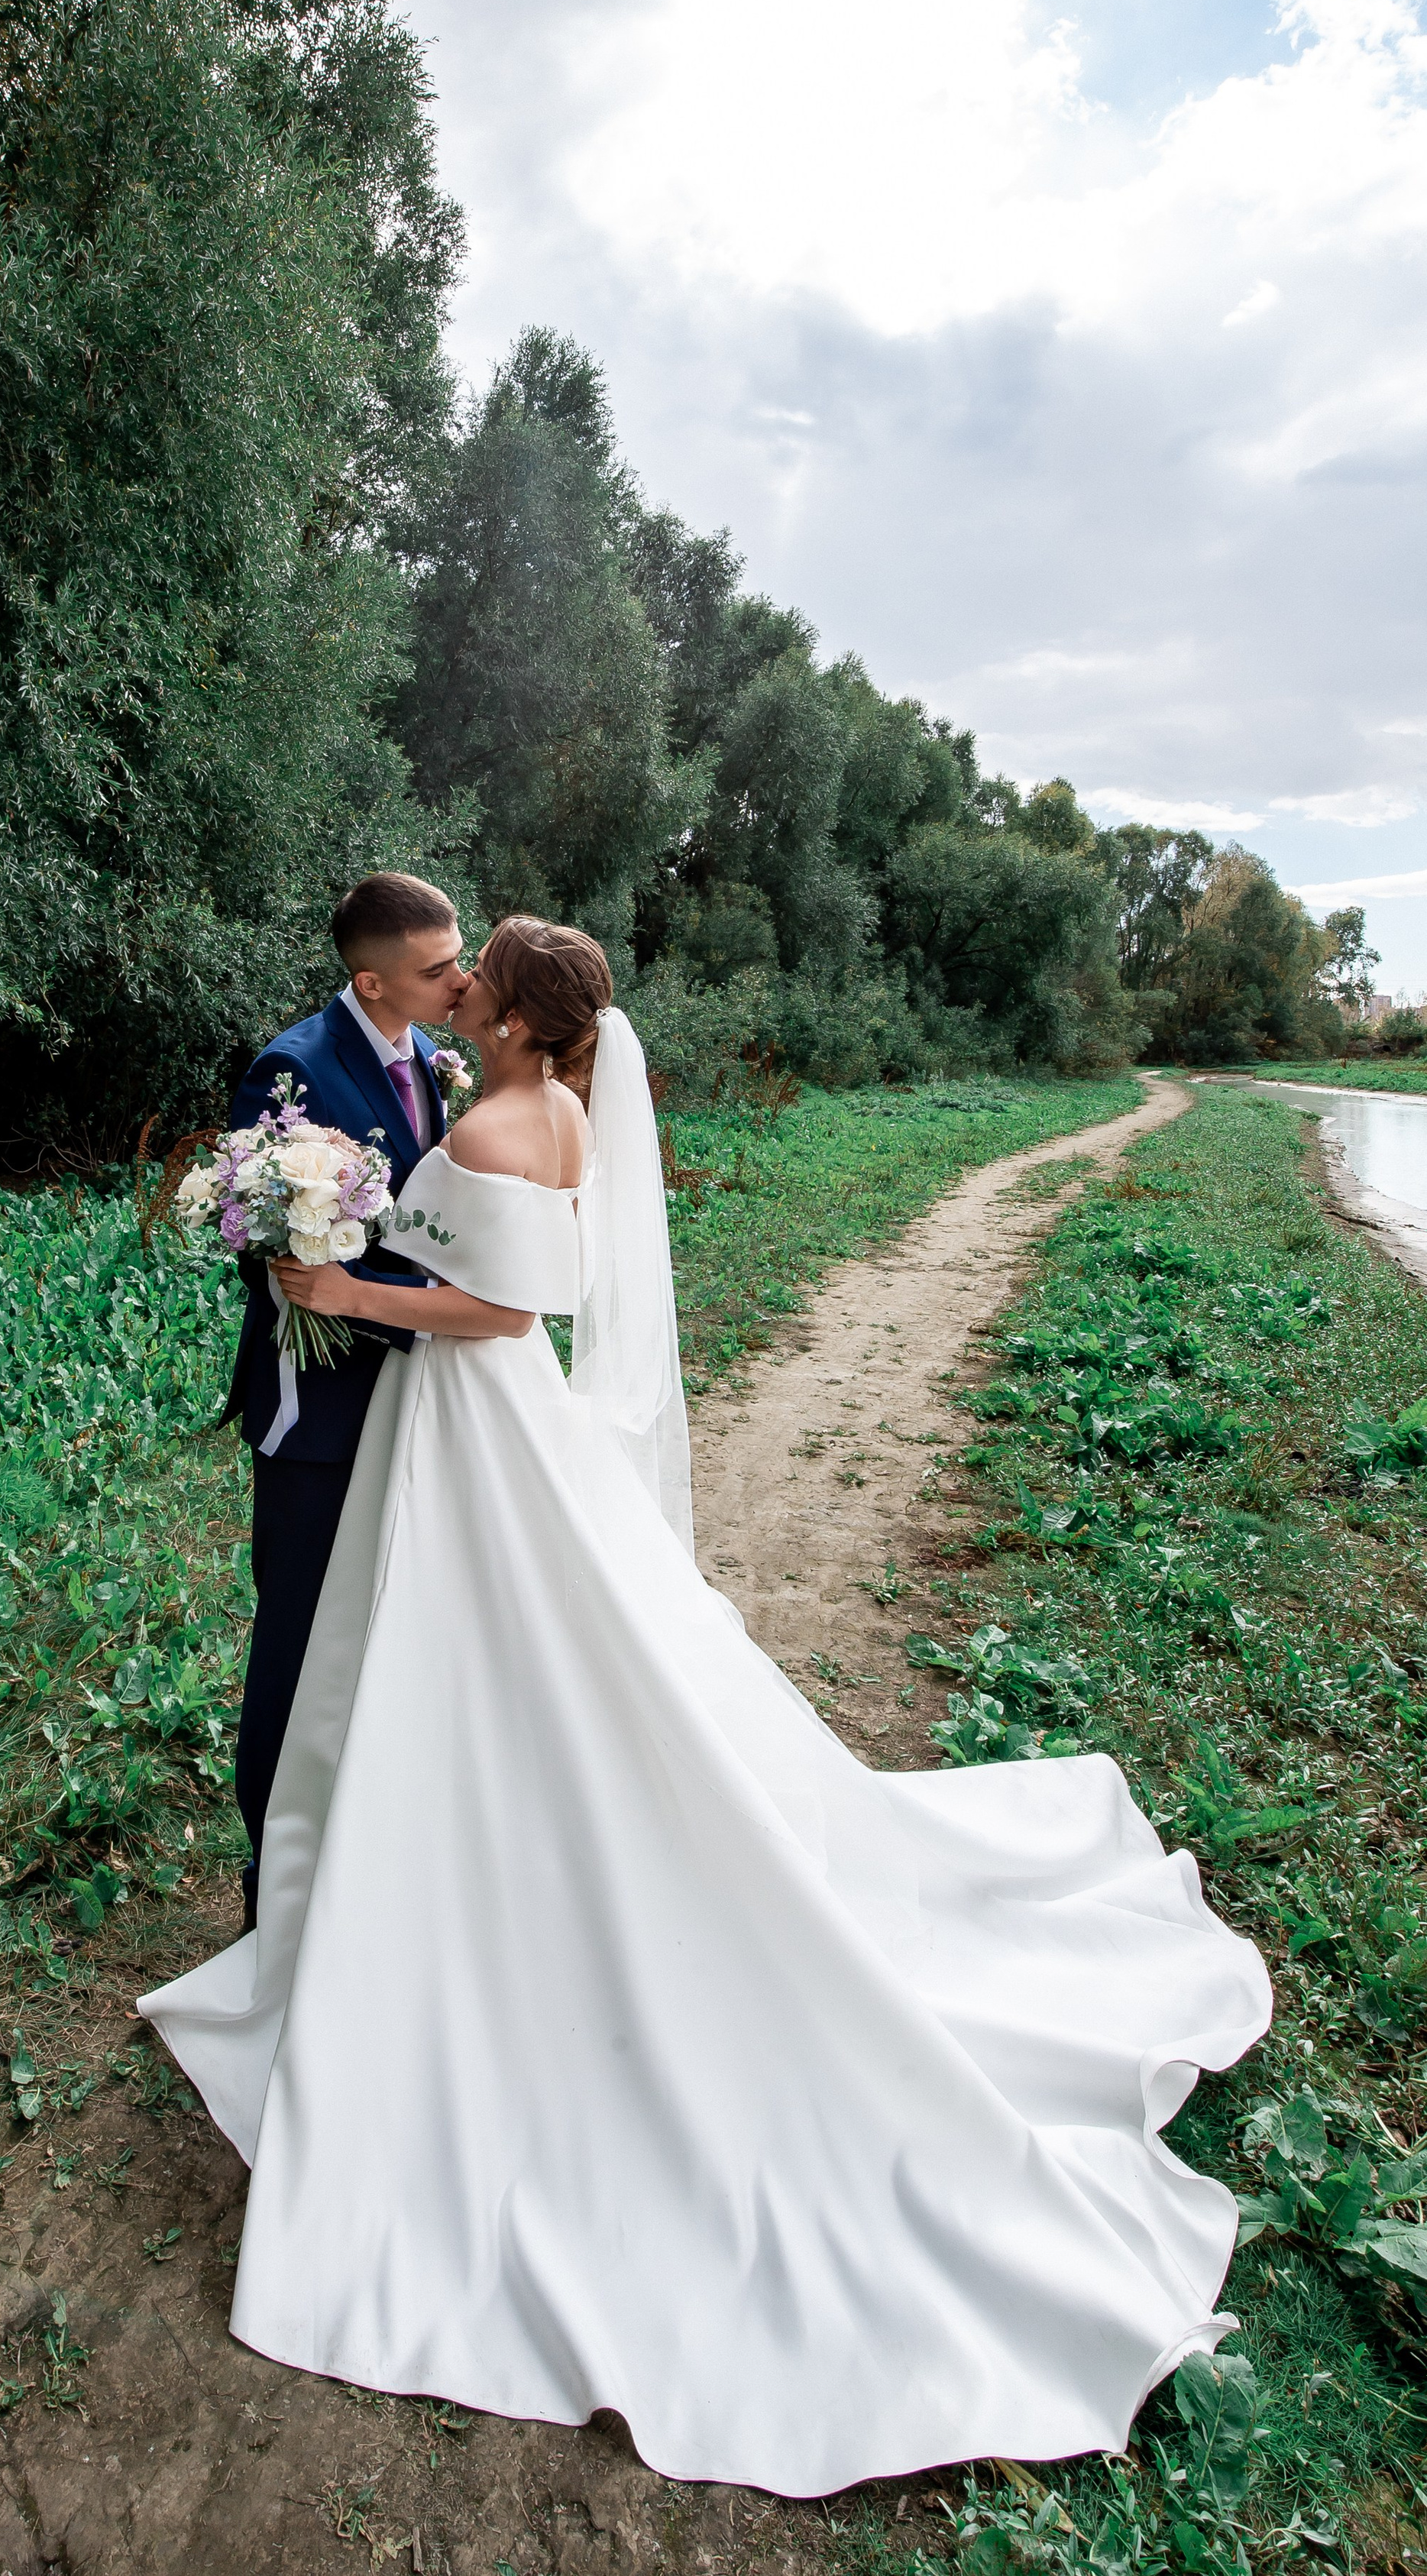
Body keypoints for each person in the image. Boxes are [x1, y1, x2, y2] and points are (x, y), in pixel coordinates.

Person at [144, 917, 1272, 2500]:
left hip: (473, 1413)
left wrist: (342, 1282)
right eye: (444, 965)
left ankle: (444, 1905)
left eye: (479, 974)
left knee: (494, 1667)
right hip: (478, 1435)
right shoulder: (560, 1110)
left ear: (520, 1012)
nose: (455, 984)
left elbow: (501, 1314)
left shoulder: (487, 1118)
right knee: (498, 1669)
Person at [220, 873, 471, 1931]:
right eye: (437, 968)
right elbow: (266, 1252)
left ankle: (367, 1864)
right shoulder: (296, 1069)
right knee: (298, 1649)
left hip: (419, 1401)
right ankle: (273, 1894)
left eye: (459, 955)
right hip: (318, 1410)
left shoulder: (431, 1057)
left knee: (391, 1635)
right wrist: (436, 1309)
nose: (461, 980)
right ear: (371, 979)